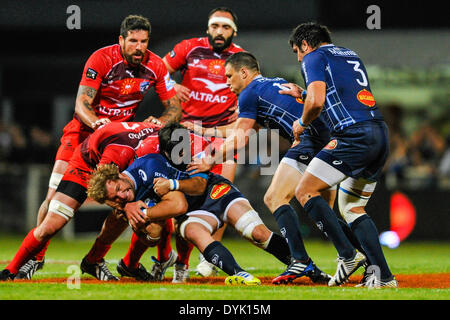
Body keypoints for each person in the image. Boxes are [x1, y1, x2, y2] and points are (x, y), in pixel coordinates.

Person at [16, 14, 182, 280]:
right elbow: (81, 104)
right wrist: (96, 123)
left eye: (144, 41)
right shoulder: (101, 59)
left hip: (119, 143)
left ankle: (96, 259)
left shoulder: (156, 66)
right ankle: (34, 258)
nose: (139, 46)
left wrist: (161, 121)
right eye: (133, 41)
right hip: (81, 134)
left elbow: (175, 107)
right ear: (121, 40)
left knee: (126, 202)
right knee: (54, 198)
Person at [188, 51, 368, 284]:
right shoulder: (272, 85)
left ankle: (305, 260)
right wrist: (206, 131)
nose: (227, 83)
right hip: (327, 138)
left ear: (244, 72)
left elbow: (239, 138)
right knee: (323, 209)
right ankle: (369, 259)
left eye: (229, 76)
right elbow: (244, 131)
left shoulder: (250, 93)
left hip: (309, 139)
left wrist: (210, 159)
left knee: (274, 198)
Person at [87, 124, 294, 286]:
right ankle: (230, 272)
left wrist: (164, 192)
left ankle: (303, 263)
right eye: (115, 199)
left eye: (120, 192)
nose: (122, 196)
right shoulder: (140, 161)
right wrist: (129, 208)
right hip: (192, 208)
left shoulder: (194, 149)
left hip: (213, 191)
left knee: (256, 232)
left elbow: (195, 188)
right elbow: (176, 206)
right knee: (176, 230)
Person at [282, 22, 397, 288]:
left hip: (352, 135)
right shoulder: (349, 54)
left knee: (305, 191)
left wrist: (302, 122)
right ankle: (384, 278)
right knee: (352, 208)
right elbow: (340, 95)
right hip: (378, 133)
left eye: (297, 51)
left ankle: (347, 254)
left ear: (306, 44)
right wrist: (303, 94)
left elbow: (318, 102)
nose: (299, 58)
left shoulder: (313, 56)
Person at [0, 122, 162, 281]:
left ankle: (97, 261)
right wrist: (126, 206)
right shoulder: (121, 152)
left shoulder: (160, 141)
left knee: (144, 214)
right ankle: (11, 270)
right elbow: (103, 184)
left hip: (116, 169)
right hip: (86, 165)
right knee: (51, 225)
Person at [161, 7, 244, 276]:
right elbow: (157, 71)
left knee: (222, 195)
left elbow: (253, 88)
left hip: (223, 133)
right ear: (208, 28)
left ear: (233, 31)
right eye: (215, 26)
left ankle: (210, 257)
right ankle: (181, 263)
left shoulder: (241, 57)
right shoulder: (189, 48)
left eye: (226, 27)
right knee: (183, 199)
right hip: (189, 133)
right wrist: (172, 85)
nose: (220, 32)